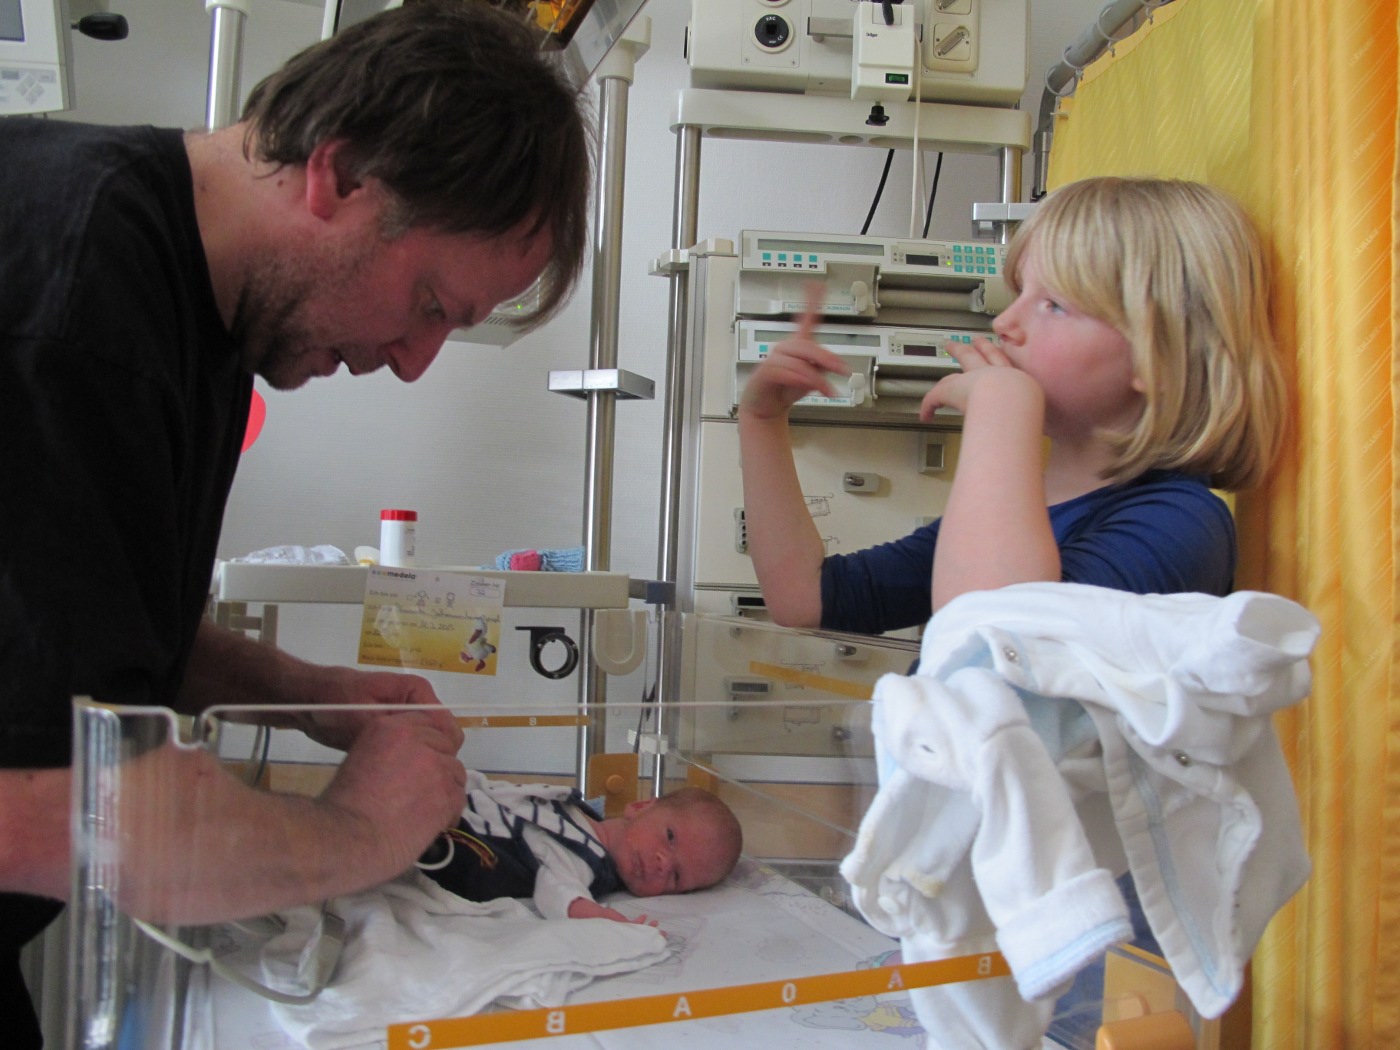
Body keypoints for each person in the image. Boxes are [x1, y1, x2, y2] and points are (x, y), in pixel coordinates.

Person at [0, 3, 592, 1044]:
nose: (412, 364)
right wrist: (358, 828)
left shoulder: (204, 303)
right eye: (429, 305)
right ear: (342, 174)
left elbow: (74, 631)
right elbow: (51, 807)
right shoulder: (83, 302)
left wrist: (306, 695)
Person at [737, 176, 1286, 631]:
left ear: (1159, 356)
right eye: (1020, 292)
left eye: (1054, 305)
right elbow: (806, 599)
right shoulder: (1029, 509)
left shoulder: (1181, 522)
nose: (1004, 322)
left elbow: (995, 648)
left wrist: (1001, 411)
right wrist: (762, 421)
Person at [417, 775, 743, 924]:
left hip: (455, 843)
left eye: (675, 876)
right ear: (640, 806)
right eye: (670, 837)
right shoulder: (579, 811)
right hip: (464, 799)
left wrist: (600, 918)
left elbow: (557, 891)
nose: (662, 863)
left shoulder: (588, 865)